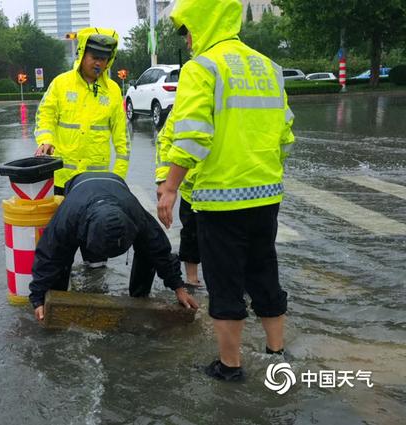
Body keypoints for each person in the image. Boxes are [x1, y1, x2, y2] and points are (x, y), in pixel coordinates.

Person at [156, 0, 295, 381]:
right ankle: (276, 354)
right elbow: (285, 134)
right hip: (266, 194)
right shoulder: (270, 67)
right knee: (265, 271)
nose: (186, 40)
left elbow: (191, 137)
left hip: (222, 197)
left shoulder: (202, 68)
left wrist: (169, 188)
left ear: (203, 21)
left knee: (225, 282)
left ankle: (230, 367)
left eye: (186, 29)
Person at [29, 172, 199, 322]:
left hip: (116, 186)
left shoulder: (135, 214)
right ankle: (58, 294)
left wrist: (178, 287)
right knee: (61, 259)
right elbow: (49, 256)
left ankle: (139, 296)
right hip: (78, 185)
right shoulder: (68, 218)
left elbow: (159, 250)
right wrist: (38, 299)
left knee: (147, 250)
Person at [34, 27, 129, 197]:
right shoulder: (61, 83)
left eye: (104, 59)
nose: (99, 63)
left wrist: (118, 178)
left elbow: (122, 139)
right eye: (94, 57)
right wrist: (45, 140)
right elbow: (45, 115)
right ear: (82, 54)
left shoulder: (113, 91)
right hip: (62, 179)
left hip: (96, 182)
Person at [155, 112, 202, 287]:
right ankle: (192, 279)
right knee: (191, 234)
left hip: (239, 192)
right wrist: (164, 181)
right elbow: (165, 140)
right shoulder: (187, 102)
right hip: (194, 190)